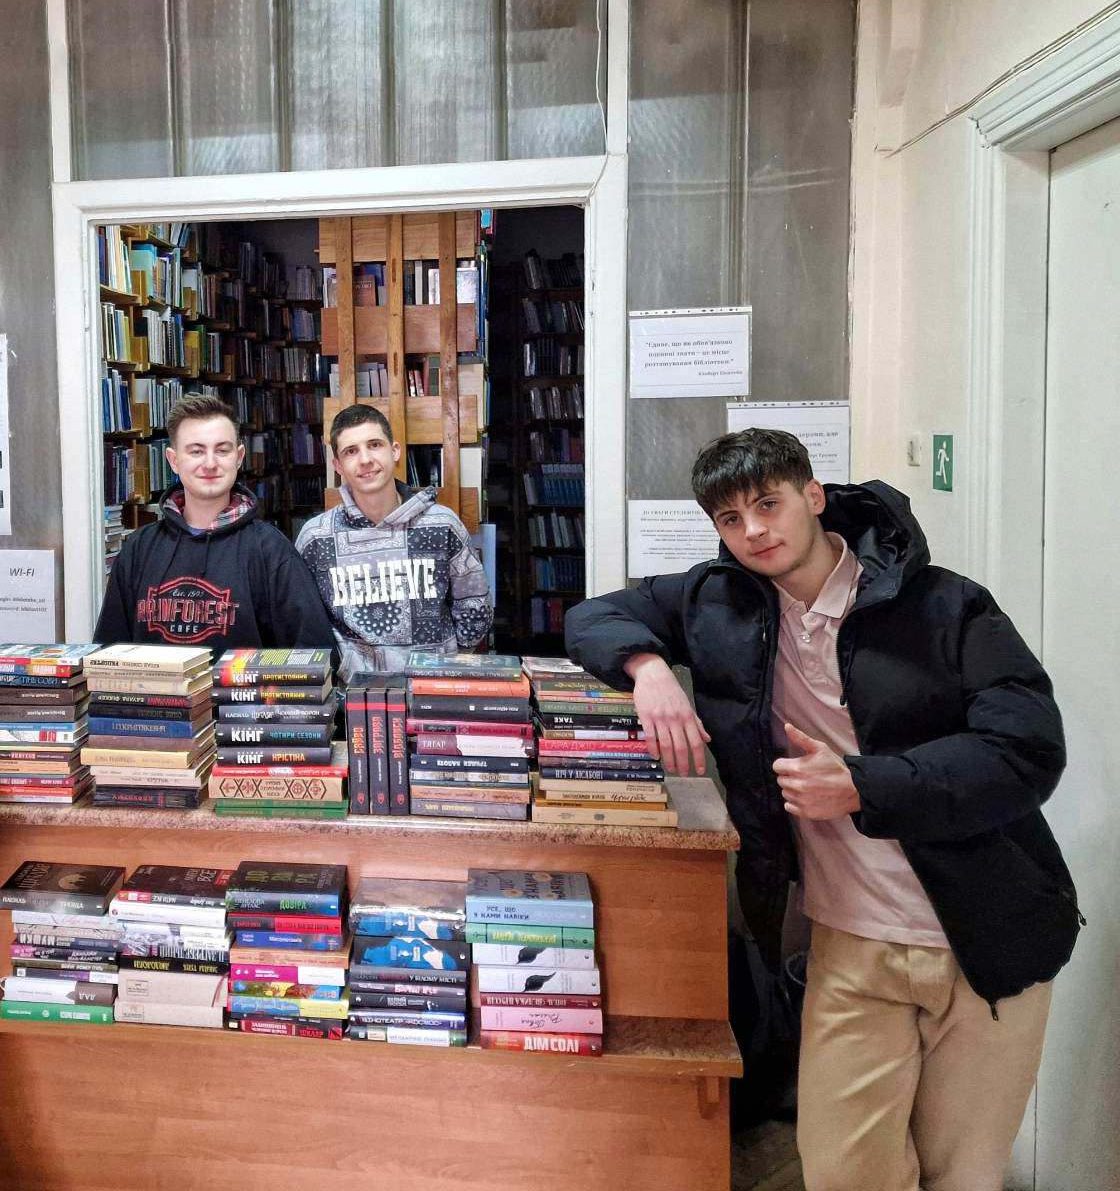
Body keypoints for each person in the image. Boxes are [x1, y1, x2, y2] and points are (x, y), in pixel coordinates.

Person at [565, 428, 1080, 1191]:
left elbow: (1027, 750)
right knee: (843, 1170)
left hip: (986, 932)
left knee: (963, 1175)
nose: (754, 531)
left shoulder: (945, 604)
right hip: (849, 942)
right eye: (731, 519)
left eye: (768, 504)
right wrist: (649, 669)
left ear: (813, 496)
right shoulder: (721, 605)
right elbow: (591, 616)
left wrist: (865, 786)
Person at [93, 391, 335, 656]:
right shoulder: (139, 548)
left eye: (222, 450)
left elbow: (314, 653)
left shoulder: (270, 549)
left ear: (239, 457)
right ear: (173, 460)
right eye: (196, 451)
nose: (210, 463)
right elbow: (109, 654)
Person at [294, 403, 491, 678]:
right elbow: (306, 623)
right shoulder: (315, 538)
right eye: (351, 451)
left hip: (431, 687)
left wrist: (446, 662)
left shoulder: (442, 524)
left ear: (395, 450)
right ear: (337, 465)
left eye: (374, 445)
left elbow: (475, 605)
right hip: (354, 692)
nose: (365, 459)